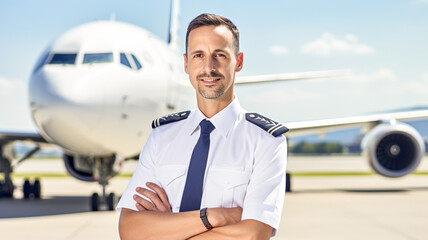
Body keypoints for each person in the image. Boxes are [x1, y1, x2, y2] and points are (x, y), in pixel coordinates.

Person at [117, 13, 288, 239]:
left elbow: (253, 234)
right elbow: (130, 230)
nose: (209, 67)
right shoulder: (162, 136)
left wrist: (166, 229)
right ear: (186, 64)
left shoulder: (265, 141)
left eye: (220, 55)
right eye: (199, 55)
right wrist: (213, 217)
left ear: (238, 61)